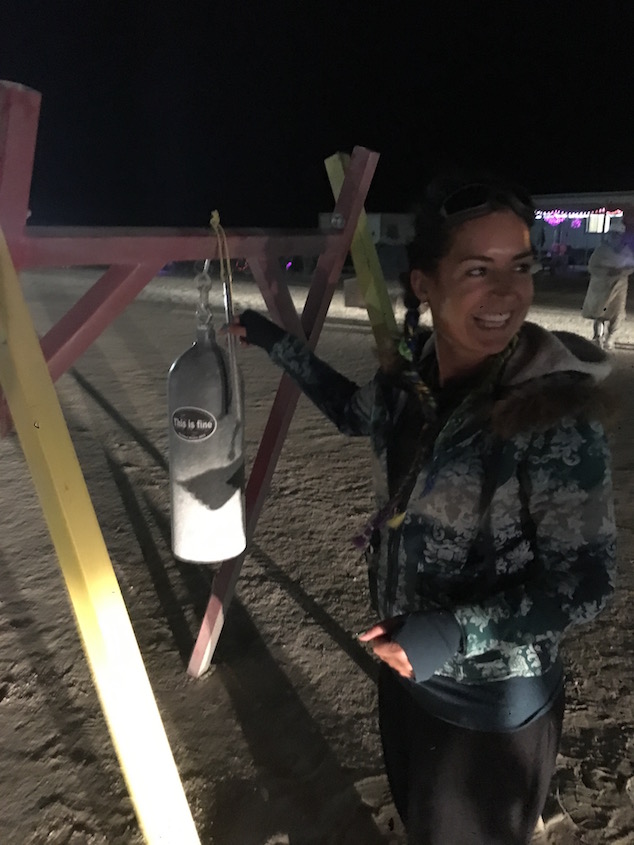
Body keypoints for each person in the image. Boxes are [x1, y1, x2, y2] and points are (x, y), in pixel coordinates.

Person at [226, 174, 617, 844]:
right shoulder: (411, 379)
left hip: (490, 707)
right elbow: (352, 411)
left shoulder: (555, 414)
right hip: (408, 673)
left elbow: (586, 583)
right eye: (478, 269)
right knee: (420, 820)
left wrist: (453, 633)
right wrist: (272, 340)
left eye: (521, 267)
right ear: (424, 285)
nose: (507, 292)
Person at [581, 218, 634, 349]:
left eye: (618, 235)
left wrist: (620, 272)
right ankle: (598, 337)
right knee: (600, 312)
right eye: (613, 234)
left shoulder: (626, 251)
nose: (615, 237)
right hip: (602, 287)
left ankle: (610, 338)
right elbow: (592, 266)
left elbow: (630, 267)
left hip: (619, 286)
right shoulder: (601, 251)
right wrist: (606, 272)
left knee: (617, 313)